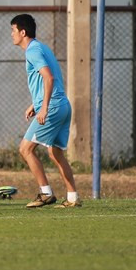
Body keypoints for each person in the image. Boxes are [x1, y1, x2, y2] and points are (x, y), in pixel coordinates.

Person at [10, 14, 80, 208]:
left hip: (54, 107)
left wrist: (44, 108)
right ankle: (73, 197)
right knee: (55, 153)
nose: (12, 35)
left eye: (13, 30)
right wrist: (36, 104)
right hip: (63, 105)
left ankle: (45, 193)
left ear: (23, 32)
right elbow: (50, 79)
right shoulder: (41, 47)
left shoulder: (32, 51)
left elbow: (48, 78)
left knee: (25, 149)